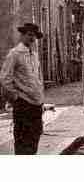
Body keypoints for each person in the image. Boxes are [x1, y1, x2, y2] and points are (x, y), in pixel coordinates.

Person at [0, 23, 44, 154]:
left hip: (36, 104)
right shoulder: (15, 54)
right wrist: (15, 97)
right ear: (23, 35)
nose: (32, 38)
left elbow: (38, 77)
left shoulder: (35, 55)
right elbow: (5, 78)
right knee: (22, 140)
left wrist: (40, 97)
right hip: (23, 104)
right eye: (29, 35)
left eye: (34, 36)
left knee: (34, 137)